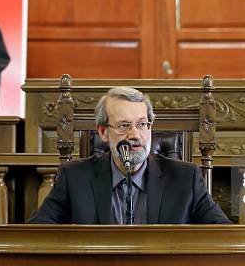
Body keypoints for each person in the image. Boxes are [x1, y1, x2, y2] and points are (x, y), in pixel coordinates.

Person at [27, 87, 231, 224]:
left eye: (142, 124)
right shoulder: (75, 178)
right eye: (124, 126)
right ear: (103, 132)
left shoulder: (186, 179)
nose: (135, 135)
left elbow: (223, 236)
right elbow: (37, 234)